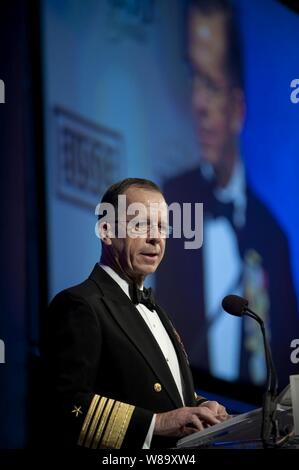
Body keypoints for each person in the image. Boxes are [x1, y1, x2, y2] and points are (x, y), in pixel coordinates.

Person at [156, 0, 299, 387]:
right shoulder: (170, 201)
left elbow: (290, 384)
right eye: (194, 80)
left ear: (238, 109)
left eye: (212, 85)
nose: (198, 103)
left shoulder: (274, 238)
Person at [43, 178, 228, 450]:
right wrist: (156, 424)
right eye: (141, 224)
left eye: (162, 228)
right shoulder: (79, 305)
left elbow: (158, 395)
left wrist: (201, 407)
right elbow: (64, 405)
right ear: (106, 231)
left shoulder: (159, 313)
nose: (155, 238)